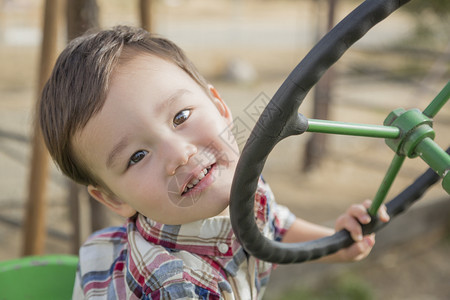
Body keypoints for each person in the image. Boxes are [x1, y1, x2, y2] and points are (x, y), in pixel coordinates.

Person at [39, 25, 389, 299]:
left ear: (220, 108)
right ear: (115, 199)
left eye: (181, 116)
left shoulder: (240, 182)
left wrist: (335, 243)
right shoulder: (173, 287)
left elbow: (273, 226)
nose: (180, 154)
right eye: (137, 156)